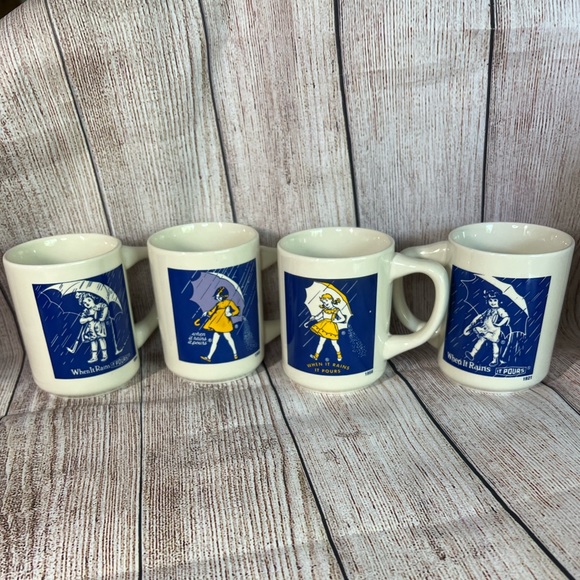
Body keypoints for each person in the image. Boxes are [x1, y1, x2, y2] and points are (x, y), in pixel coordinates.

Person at [464, 291, 510, 367]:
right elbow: (481, 315)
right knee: (480, 340)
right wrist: (476, 319)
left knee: (494, 344)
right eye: (490, 300)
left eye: (495, 300)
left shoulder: (500, 310)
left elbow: (506, 317)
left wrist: (499, 324)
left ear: (499, 301)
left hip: (494, 331)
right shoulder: (488, 310)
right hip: (486, 329)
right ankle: (472, 354)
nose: (492, 302)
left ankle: (495, 360)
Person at [201, 286, 240, 362]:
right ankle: (209, 357)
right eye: (217, 297)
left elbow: (236, 310)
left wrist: (231, 314)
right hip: (217, 325)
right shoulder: (218, 304)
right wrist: (206, 313)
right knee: (215, 341)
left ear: (224, 296)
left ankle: (235, 353)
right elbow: (212, 311)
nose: (217, 298)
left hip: (224, 324)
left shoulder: (229, 302)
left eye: (219, 296)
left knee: (229, 338)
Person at [305, 293, 345, 361]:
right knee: (321, 343)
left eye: (326, 300)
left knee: (334, 343)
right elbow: (318, 316)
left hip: (332, 327)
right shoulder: (324, 310)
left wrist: (336, 321)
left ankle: (339, 355)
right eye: (323, 302)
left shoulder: (336, 310)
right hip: (323, 327)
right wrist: (313, 318)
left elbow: (343, 318)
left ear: (331, 300)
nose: (325, 303)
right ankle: (316, 356)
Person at [76, 292, 109, 363]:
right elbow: (81, 320)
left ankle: (105, 355)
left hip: (99, 326)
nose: (87, 303)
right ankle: (94, 357)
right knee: (93, 341)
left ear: (93, 299)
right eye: (84, 303)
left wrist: (103, 317)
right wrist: (87, 319)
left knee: (101, 339)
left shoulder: (99, 306)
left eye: (89, 300)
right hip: (91, 328)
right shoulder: (86, 311)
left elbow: (106, 307)